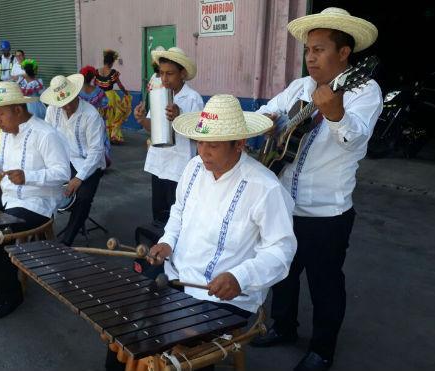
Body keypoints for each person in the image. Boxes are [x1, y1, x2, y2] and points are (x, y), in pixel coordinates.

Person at [105, 95, 297, 371]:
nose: (202, 152)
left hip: (225, 295)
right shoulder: (194, 168)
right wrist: (167, 241)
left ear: (240, 144)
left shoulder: (265, 188)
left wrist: (239, 277)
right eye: (200, 142)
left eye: (213, 145)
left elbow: (281, 251)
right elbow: (178, 211)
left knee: (177, 349)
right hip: (177, 274)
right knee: (122, 322)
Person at [249, 8, 383, 371]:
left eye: (320, 49)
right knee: (285, 275)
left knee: (325, 285)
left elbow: (355, 140)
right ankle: (284, 327)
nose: (310, 56)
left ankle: (322, 350)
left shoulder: (363, 90)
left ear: (344, 54)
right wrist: (266, 123)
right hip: (285, 205)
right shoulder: (300, 88)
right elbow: (269, 111)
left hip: (327, 214)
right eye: (308, 49)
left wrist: (336, 113)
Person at [0, 81, 70, 319]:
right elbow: (1, 161)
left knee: (0, 233)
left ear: (17, 110)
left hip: (38, 204)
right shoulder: (6, 133)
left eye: (0, 114)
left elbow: (63, 174)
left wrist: (29, 176)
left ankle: (11, 295)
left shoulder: (46, 134)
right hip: (10, 197)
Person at [134, 47, 204, 227]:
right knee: (159, 214)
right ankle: (158, 248)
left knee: (177, 215)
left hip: (179, 168)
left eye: (170, 74)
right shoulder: (159, 94)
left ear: (182, 73)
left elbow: (199, 135)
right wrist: (142, 120)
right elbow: (153, 127)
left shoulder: (192, 99)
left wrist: (180, 117)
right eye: (162, 73)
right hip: (159, 164)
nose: (164, 79)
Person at [42, 74, 106, 247]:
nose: (67, 106)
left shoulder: (91, 115)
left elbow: (96, 152)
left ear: (77, 94)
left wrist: (78, 178)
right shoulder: (52, 110)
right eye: (63, 103)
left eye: (70, 100)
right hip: (63, 160)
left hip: (89, 164)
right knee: (40, 186)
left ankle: (65, 242)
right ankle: (40, 236)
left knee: (83, 198)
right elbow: (47, 138)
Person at [95, 49, 132, 144]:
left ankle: (103, 136)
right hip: (110, 97)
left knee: (102, 117)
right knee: (113, 117)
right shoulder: (113, 72)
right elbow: (120, 85)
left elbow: (95, 85)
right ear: (111, 62)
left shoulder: (97, 72)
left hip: (99, 97)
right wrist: (126, 93)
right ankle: (113, 136)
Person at [79, 65, 111, 167]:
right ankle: (100, 162)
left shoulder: (77, 92)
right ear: (93, 77)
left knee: (83, 140)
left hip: (81, 120)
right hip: (96, 120)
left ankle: (84, 161)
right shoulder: (99, 91)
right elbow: (105, 106)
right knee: (98, 140)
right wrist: (104, 118)